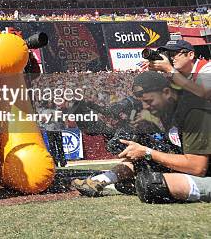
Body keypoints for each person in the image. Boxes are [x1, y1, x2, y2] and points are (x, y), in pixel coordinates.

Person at [72, 72, 211, 203]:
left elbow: (197, 166)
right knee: (134, 175)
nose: (146, 107)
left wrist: (147, 152)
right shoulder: (166, 110)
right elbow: (175, 147)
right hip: (195, 169)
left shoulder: (194, 112)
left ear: (167, 92)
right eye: (142, 102)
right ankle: (100, 181)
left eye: (149, 101)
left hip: (205, 175)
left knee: (150, 184)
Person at [146, 40, 211, 99]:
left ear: (191, 55)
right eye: (168, 54)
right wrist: (153, 73)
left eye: (174, 54)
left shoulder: (207, 67)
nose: (171, 58)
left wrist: (169, 69)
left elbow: (204, 93)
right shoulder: (172, 73)